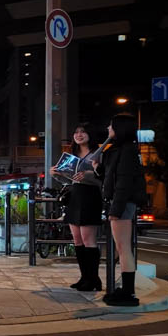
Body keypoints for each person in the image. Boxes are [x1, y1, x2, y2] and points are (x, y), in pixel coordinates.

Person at [93, 113, 147, 306]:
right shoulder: (120, 150)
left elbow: (124, 183)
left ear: (120, 128)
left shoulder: (128, 151)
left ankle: (128, 292)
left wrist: (115, 209)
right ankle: (125, 290)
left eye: (111, 126)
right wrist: (99, 168)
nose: (108, 129)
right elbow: (111, 178)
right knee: (121, 247)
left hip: (122, 203)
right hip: (119, 202)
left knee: (123, 248)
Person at [50, 123, 103, 291]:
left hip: (90, 196)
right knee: (77, 240)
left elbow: (103, 178)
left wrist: (89, 175)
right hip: (75, 195)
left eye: (83, 132)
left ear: (90, 134)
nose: (79, 135)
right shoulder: (71, 155)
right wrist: (57, 175)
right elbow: (70, 180)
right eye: (76, 132)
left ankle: (94, 279)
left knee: (89, 240)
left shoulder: (98, 154)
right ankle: (84, 277)